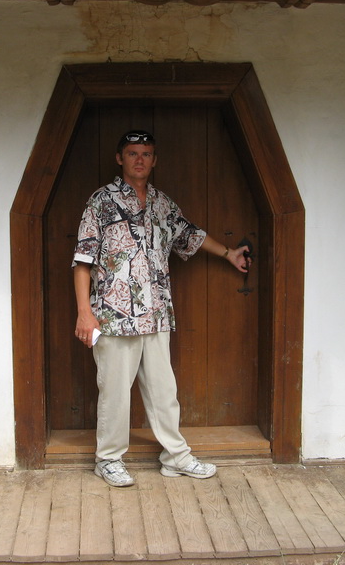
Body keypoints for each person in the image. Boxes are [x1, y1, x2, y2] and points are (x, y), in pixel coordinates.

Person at [72, 130, 250, 487]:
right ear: (120, 158)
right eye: (132, 153)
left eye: (146, 154)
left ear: (154, 160)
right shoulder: (101, 201)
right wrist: (84, 314)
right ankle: (108, 460)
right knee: (115, 394)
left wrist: (228, 253)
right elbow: (82, 261)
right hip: (113, 316)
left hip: (156, 314)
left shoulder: (161, 203)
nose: (140, 159)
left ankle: (176, 458)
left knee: (164, 393)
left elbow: (190, 235)